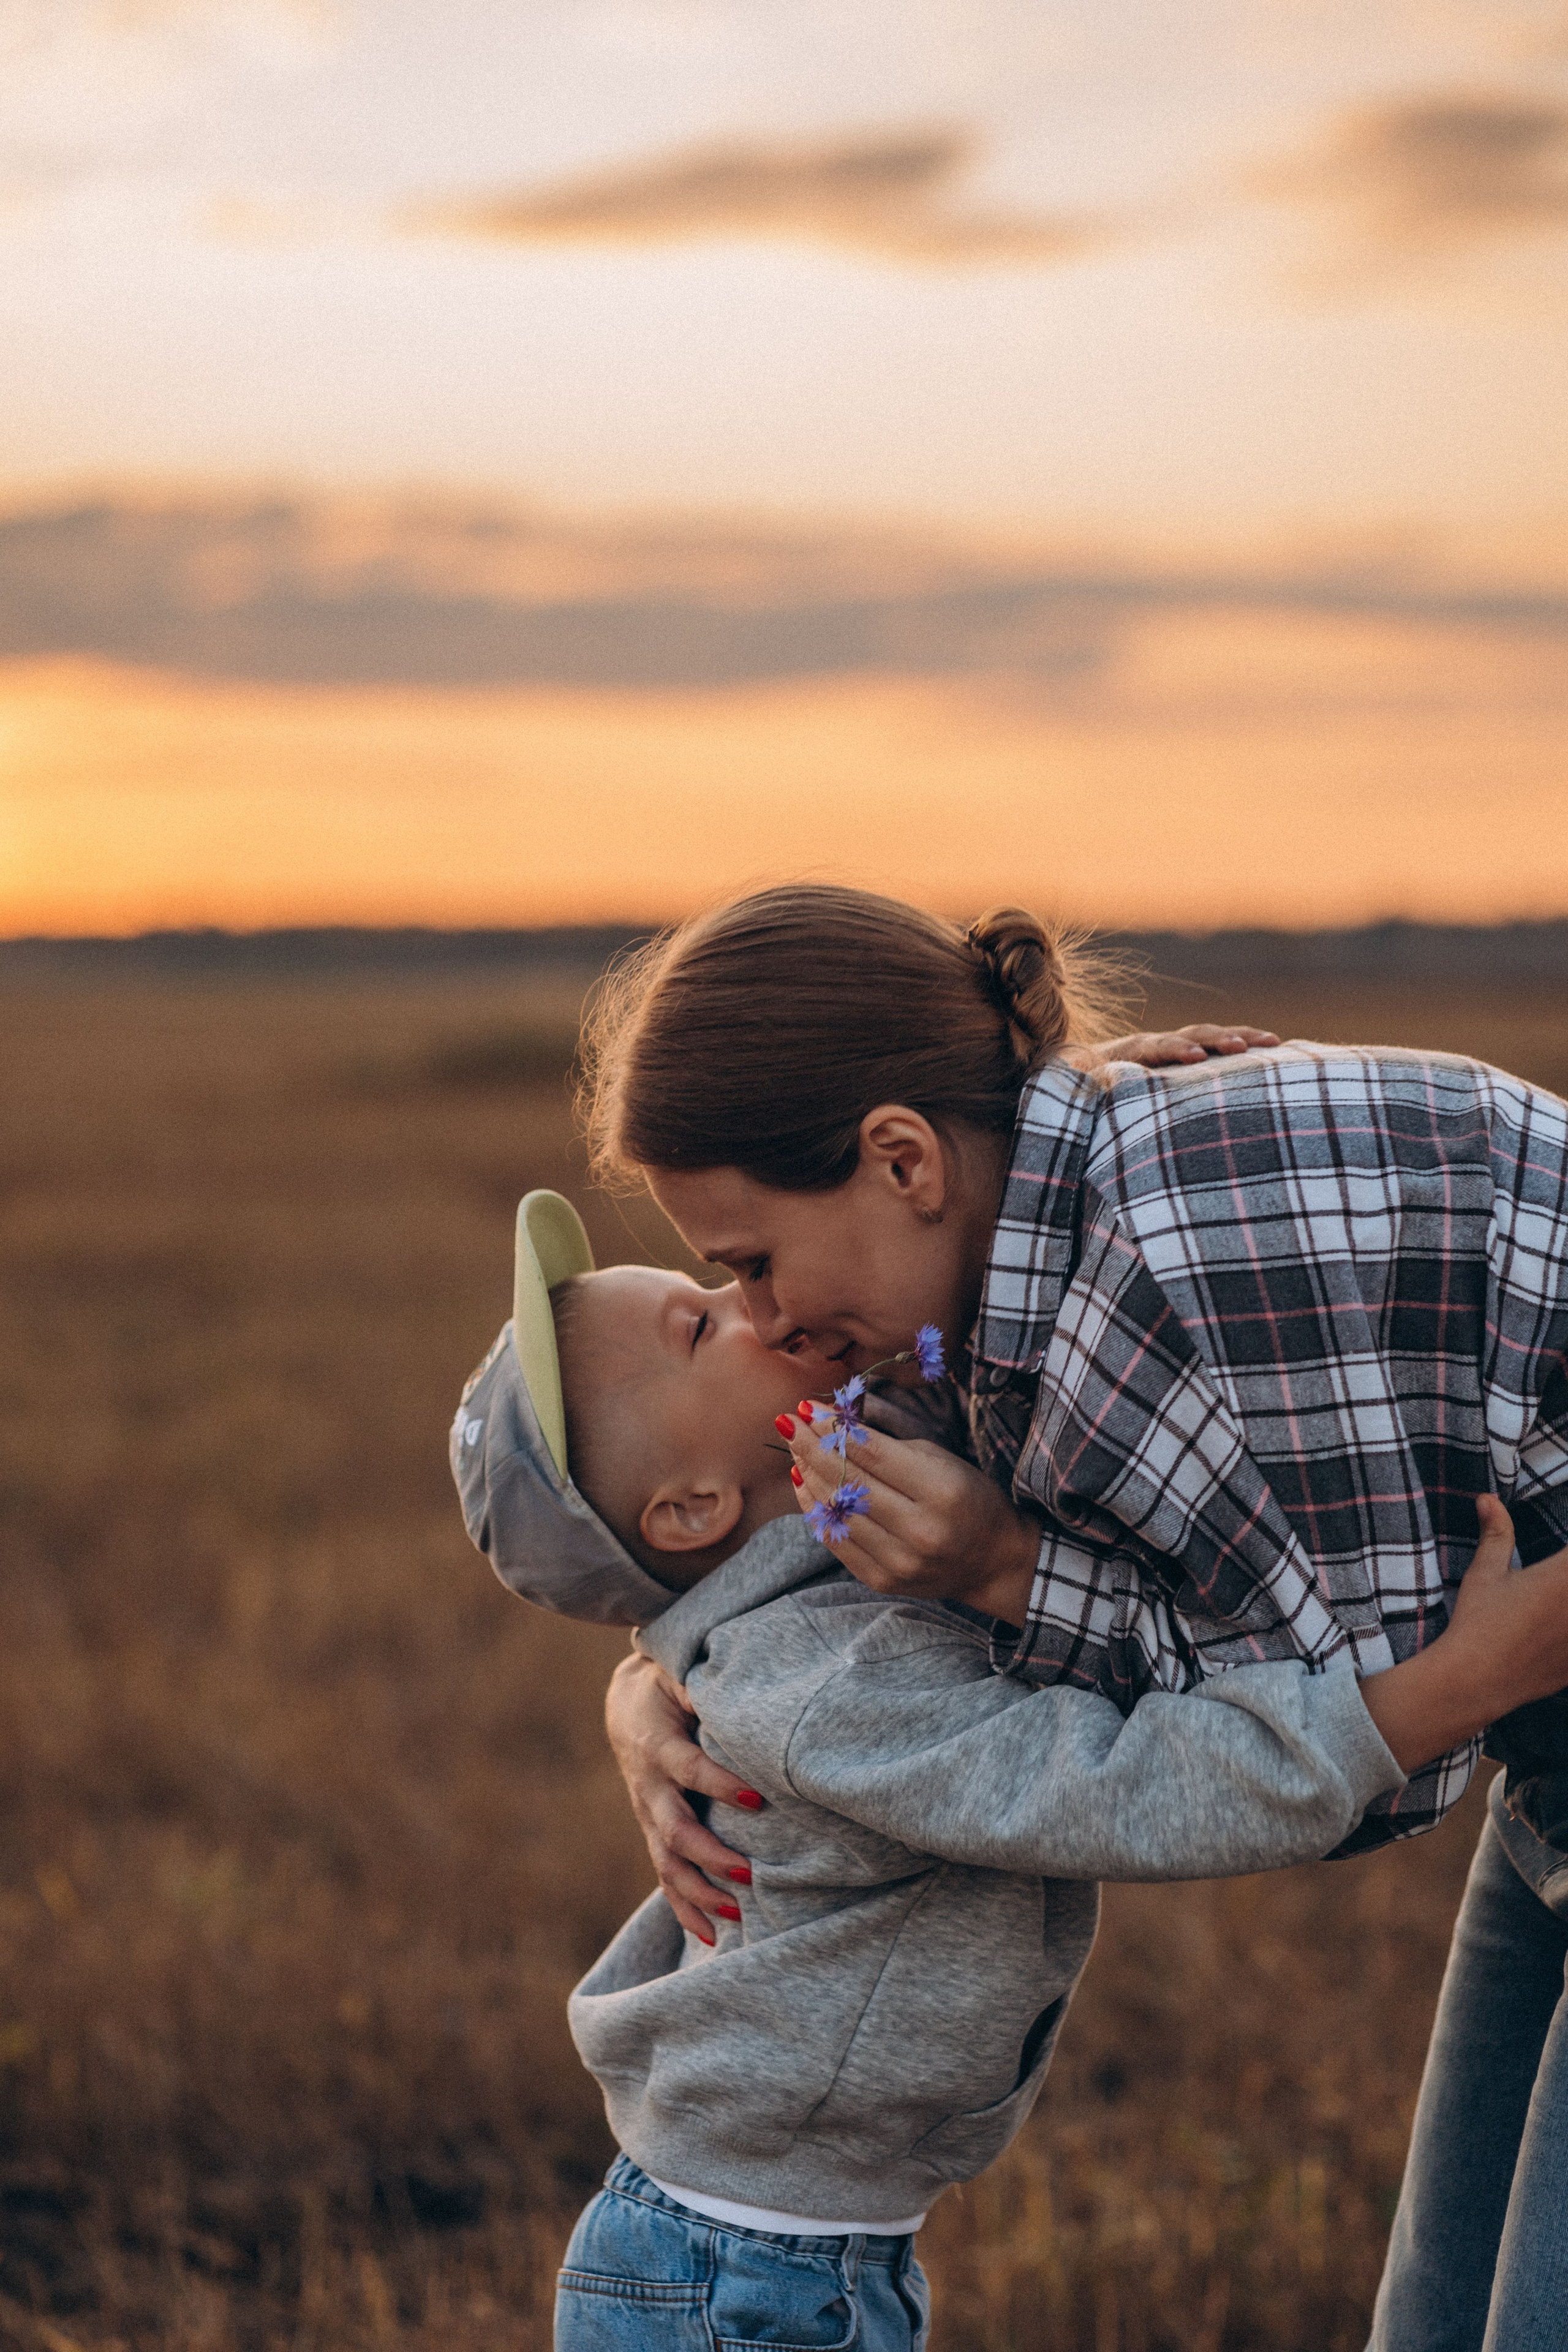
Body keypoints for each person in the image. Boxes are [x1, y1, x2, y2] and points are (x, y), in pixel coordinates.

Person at [582, 883, 1568, 2347]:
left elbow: (1368, 1722)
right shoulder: (1055, 1221)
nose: (770, 1324)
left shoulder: (1142, 1299)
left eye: (750, 1264)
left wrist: (1005, 1575)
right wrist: (666, 1665)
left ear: (904, 1157)